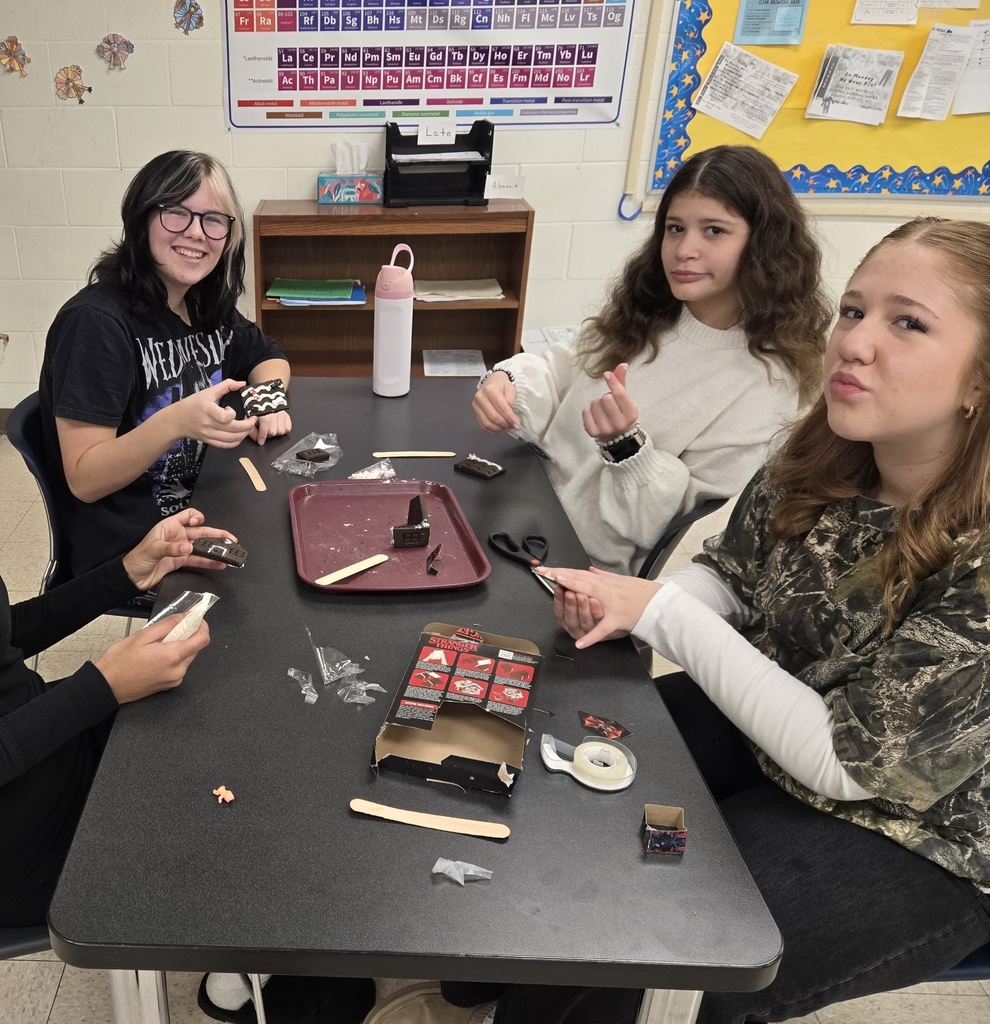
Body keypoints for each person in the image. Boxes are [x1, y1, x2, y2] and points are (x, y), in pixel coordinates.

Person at [469, 217, 990, 1023]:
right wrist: (630, 611)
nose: (854, 343)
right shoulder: (817, 455)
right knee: (559, 791)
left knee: (653, 955)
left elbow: (847, 764)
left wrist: (664, 615)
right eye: (853, 311)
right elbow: (732, 577)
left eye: (908, 323)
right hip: (776, 723)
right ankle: (496, 981)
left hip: (918, 830)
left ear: (979, 381)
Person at [472, 145, 831, 575]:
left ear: (764, 243)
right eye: (675, 228)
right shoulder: (648, 313)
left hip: (580, 572)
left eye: (714, 231)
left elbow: (684, 534)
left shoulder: (770, 382)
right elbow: (558, 368)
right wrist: (506, 381)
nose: (684, 250)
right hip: (520, 516)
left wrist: (627, 448)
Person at [39, 150, 292, 575]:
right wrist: (177, 422)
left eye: (214, 220)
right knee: (277, 571)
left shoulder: (202, 303)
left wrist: (269, 401)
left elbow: (268, 356)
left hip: (203, 495)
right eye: (177, 213)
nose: (197, 233)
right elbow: (84, 479)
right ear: (141, 219)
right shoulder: (96, 323)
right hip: (136, 541)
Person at [0, 507, 235, 927]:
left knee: (224, 707)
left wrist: (125, 573)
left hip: (41, 738)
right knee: (235, 812)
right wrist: (102, 686)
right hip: (24, 838)